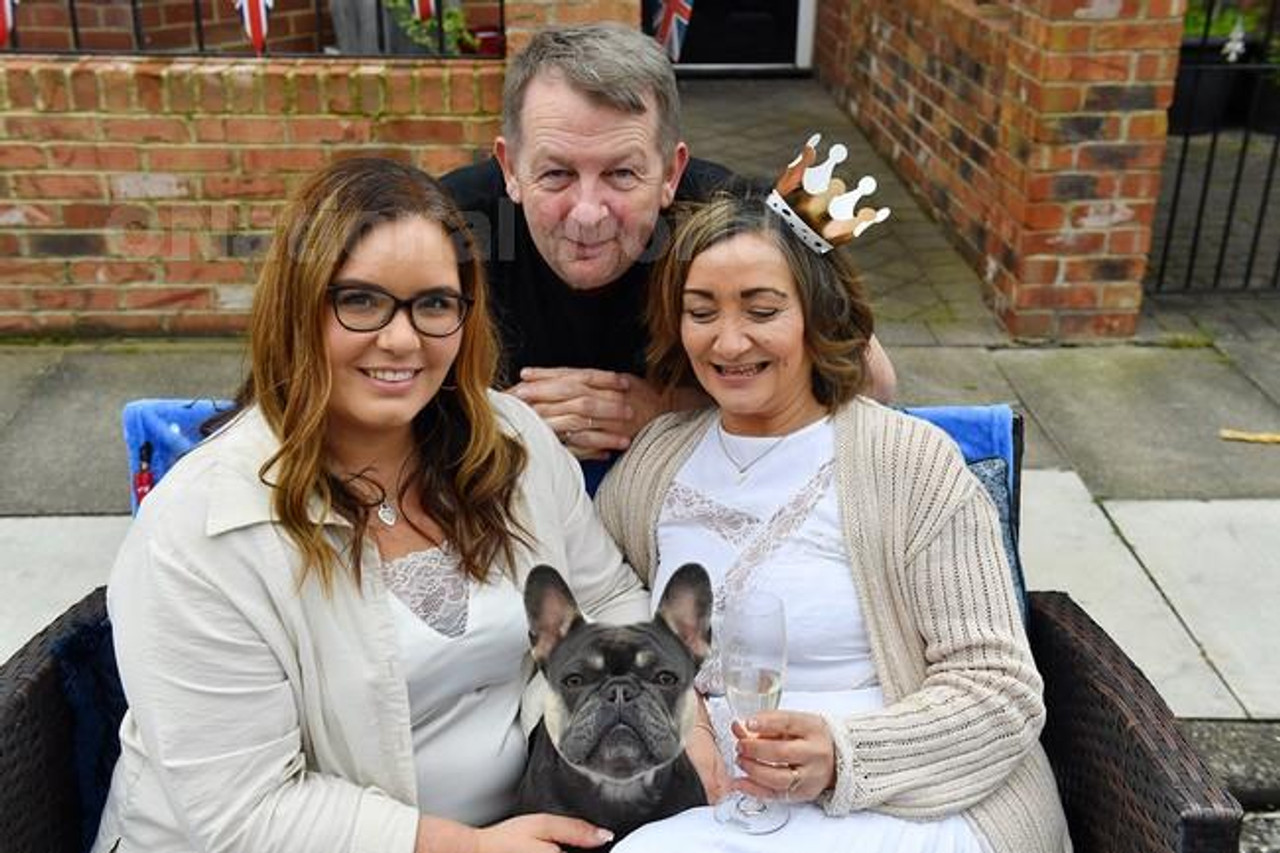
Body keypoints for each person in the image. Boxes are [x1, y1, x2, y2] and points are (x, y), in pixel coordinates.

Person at [91, 157, 651, 853]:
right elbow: (245, 814)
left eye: (435, 303)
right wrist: (470, 847)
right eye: (360, 300)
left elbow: (613, 597)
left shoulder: (512, 445)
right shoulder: (201, 528)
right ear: (300, 308)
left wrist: (671, 716)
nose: (402, 338)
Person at [594, 193, 1072, 853]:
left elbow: (1001, 687)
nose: (728, 341)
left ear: (817, 315)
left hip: (912, 805)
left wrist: (844, 755)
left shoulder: (909, 462)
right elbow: (595, 602)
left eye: (762, 310)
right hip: (726, 804)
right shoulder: (658, 462)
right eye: (701, 312)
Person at [442, 23, 897, 470]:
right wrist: (492, 418)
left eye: (622, 174)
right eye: (556, 174)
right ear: (510, 168)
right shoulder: (448, 225)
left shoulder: (729, 218)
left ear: (671, 173)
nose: (587, 213)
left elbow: (873, 383)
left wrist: (673, 411)